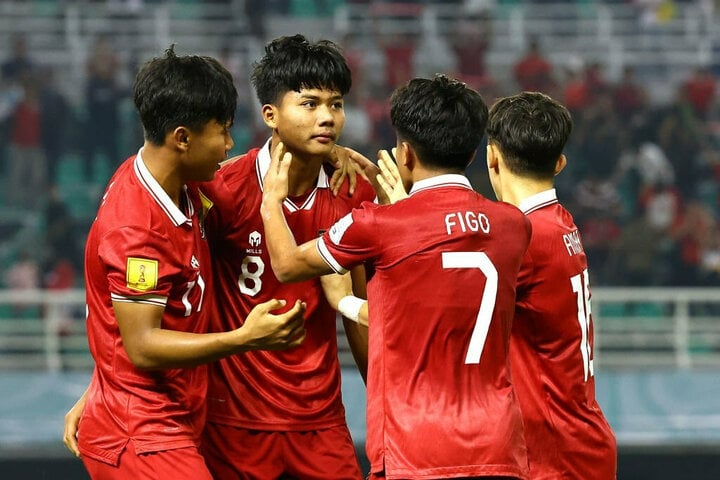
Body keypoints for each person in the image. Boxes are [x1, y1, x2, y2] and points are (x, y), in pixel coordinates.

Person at [260, 74, 532, 479]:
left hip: (416, 446)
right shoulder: (513, 225)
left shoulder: (379, 225)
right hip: (497, 444)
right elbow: (438, 265)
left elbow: (286, 264)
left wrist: (270, 201)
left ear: (404, 154)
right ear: (474, 153)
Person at [62, 46, 306, 480]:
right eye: (222, 132)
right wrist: (245, 338)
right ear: (182, 137)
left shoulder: (176, 183)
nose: (229, 145)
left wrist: (333, 156)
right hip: (141, 434)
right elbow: (142, 345)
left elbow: (118, 328)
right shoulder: (137, 228)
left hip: (160, 415)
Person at [199, 34, 376, 480]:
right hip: (234, 425)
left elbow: (358, 311)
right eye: (310, 104)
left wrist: (385, 396)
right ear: (271, 115)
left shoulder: (353, 191)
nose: (327, 118)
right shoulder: (222, 189)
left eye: (335, 105)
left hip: (320, 423)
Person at [485, 91, 617, 479]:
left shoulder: (525, 237)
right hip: (577, 441)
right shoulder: (559, 223)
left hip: (554, 455)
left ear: (492, 157)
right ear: (559, 163)